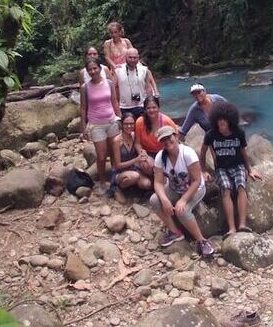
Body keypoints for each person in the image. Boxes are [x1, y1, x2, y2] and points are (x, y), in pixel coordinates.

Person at [150, 126, 214, 257]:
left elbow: (196, 180)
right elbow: (158, 182)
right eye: (164, 140)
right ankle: (175, 232)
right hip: (174, 188)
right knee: (154, 200)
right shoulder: (160, 157)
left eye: (169, 137)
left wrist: (183, 200)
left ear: (176, 136)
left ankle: (201, 241)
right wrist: (164, 199)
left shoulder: (187, 153)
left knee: (182, 211)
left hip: (195, 188)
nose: (167, 141)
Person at [200, 101, 261, 238]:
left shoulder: (238, 133)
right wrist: (203, 170)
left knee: (240, 186)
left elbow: (243, 152)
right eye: (219, 121)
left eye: (224, 121)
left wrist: (249, 169)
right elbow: (203, 152)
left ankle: (242, 225)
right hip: (221, 168)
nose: (221, 123)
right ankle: (231, 228)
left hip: (237, 165)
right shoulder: (211, 134)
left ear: (229, 121)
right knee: (226, 189)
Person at [80, 59, 121, 192]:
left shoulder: (109, 83)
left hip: (111, 122)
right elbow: (83, 108)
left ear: (100, 68)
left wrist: (120, 118)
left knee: (115, 154)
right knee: (101, 156)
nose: (93, 71)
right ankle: (103, 182)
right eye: (90, 70)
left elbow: (114, 102)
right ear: (87, 71)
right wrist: (83, 127)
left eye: (95, 68)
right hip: (96, 125)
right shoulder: (85, 88)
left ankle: (116, 178)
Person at [111, 113, 154, 196]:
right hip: (120, 172)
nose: (129, 126)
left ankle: (134, 188)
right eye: (126, 124)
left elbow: (140, 147)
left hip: (134, 168)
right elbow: (117, 165)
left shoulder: (134, 136)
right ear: (122, 124)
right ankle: (119, 189)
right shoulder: (117, 141)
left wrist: (143, 153)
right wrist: (136, 160)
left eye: (131, 124)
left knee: (147, 184)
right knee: (135, 176)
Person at [114, 48, 158, 119]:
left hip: (141, 105)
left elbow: (148, 87)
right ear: (126, 57)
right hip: (124, 107)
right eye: (130, 57)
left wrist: (150, 103)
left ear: (138, 57)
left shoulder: (144, 70)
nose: (132, 60)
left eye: (135, 58)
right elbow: (114, 88)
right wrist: (116, 105)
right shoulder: (118, 70)